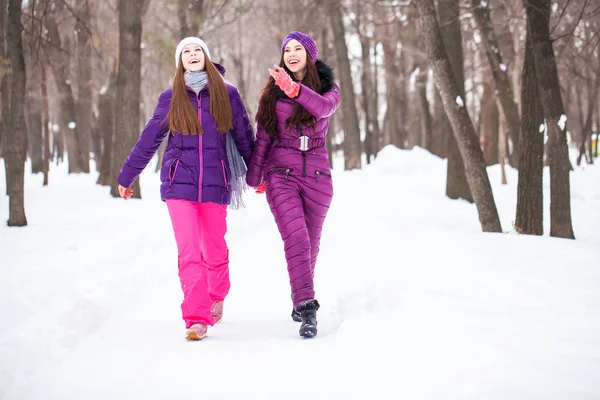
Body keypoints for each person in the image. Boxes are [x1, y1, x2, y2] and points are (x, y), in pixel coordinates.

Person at [117, 37, 254, 341]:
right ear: (180, 62)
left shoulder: (227, 95)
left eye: (197, 50)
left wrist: (256, 176)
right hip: (178, 184)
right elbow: (149, 138)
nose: (192, 54)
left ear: (206, 56)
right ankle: (196, 317)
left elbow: (244, 137)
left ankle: (216, 295)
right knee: (189, 251)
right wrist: (128, 176)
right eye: (186, 52)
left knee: (215, 250)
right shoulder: (171, 97)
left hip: (216, 183)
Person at [246, 31, 341, 338]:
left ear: (309, 55)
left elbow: (324, 108)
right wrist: (255, 176)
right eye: (287, 49)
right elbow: (264, 135)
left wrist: (296, 90)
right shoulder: (273, 92)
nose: (291, 53)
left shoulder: (328, 88)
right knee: (297, 239)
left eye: (298, 48)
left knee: (310, 245)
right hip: (281, 173)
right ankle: (307, 308)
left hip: (317, 176)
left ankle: (298, 295)